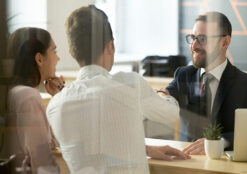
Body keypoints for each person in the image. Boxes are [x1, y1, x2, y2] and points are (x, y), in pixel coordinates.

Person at [46, 5, 190, 174]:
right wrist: (165, 95)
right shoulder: (129, 84)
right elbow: (170, 113)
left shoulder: (55, 106)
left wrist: (145, 148)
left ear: (71, 52)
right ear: (110, 46)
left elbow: (95, 149)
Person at [163, 11, 247, 154]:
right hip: (186, 162)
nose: (194, 45)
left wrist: (220, 141)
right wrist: (162, 98)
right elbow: (167, 95)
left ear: (225, 42)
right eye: (193, 38)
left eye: (202, 39)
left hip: (225, 165)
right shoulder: (183, 75)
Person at [2, 27, 64, 174]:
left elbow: (51, 145)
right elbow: (42, 163)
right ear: (39, 59)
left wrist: (56, 97)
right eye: (54, 51)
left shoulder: (15, 92)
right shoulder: (29, 97)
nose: (58, 58)